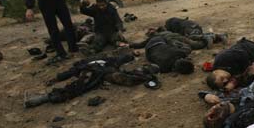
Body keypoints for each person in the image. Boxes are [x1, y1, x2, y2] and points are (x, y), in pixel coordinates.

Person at [24, 49, 158, 108]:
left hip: (105, 73)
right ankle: (46, 98)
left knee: (122, 78)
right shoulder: (83, 64)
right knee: (78, 86)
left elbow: (121, 58)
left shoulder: (108, 59)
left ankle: (145, 75)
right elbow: (71, 72)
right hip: (91, 73)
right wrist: (57, 78)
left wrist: (132, 54)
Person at [129, 32, 195, 74]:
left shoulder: (180, 53)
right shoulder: (164, 69)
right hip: (149, 51)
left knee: (168, 41)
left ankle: (131, 45)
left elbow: (187, 49)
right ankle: (131, 45)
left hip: (155, 43)